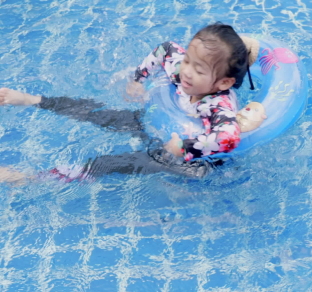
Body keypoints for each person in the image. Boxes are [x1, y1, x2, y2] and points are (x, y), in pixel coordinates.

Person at [0, 22, 255, 180]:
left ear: (223, 83)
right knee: (98, 113)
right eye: (188, 60)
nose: (186, 71)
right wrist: (137, 79)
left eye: (199, 70)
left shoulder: (217, 105)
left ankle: (33, 178)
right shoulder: (184, 70)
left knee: (106, 164)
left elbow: (227, 138)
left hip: (188, 162)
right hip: (157, 124)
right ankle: (33, 99)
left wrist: (183, 148)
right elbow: (165, 50)